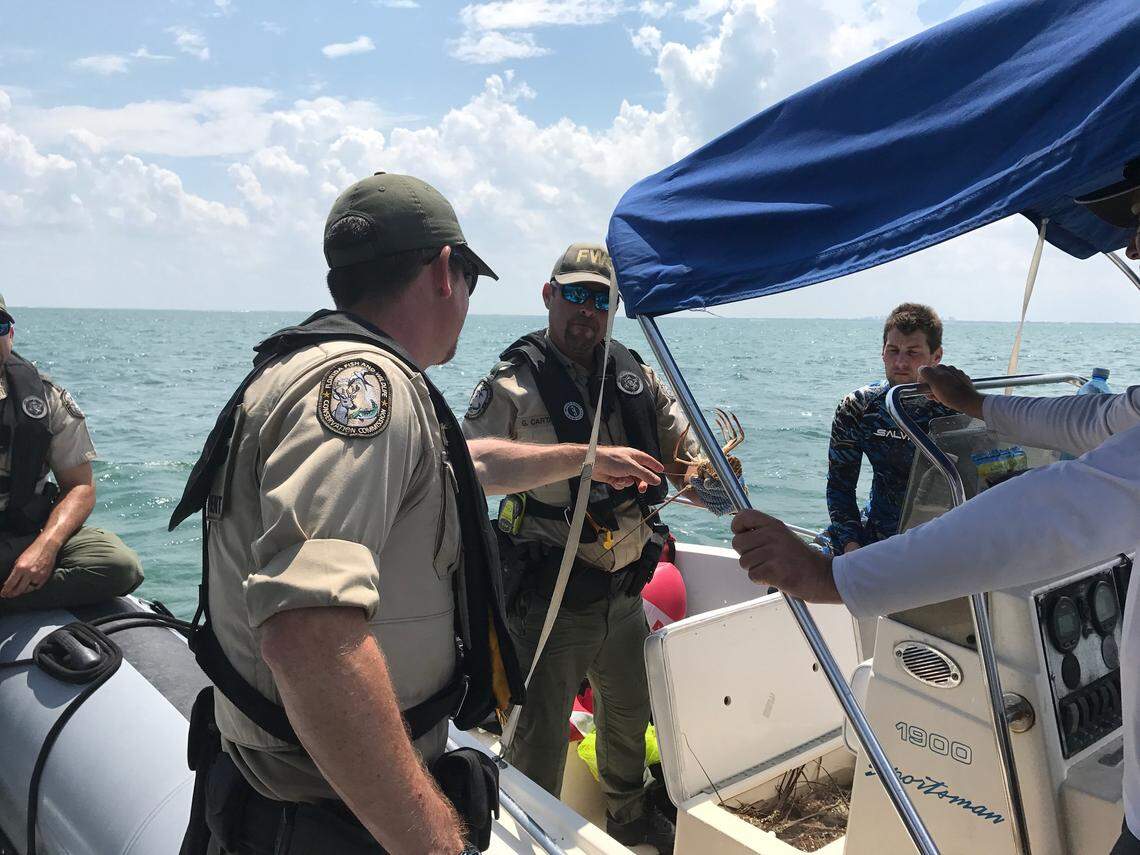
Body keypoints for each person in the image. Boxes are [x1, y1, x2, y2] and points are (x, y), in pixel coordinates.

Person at [168, 175, 666, 855]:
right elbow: (309, 634)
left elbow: (469, 464)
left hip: (307, 791)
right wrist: (433, 842)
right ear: (442, 271)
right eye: (470, 280)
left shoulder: (307, 367)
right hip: (332, 812)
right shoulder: (365, 389)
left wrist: (585, 458)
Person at [463, 241, 729, 853]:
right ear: (549, 296)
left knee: (629, 715)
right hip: (551, 597)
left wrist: (711, 478)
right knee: (539, 735)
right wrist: (585, 459)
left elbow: (685, 460)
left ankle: (628, 815)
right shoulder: (513, 385)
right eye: (575, 294)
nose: (586, 309)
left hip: (626, 591)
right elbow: (472, 466)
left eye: (600, 299)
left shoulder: (636, 377)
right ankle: (535, 835)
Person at [0, 295, 142, 612]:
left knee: (117, 564)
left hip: (22, 532)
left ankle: (10, 597)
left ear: (10, 335)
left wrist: (46, 546)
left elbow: (79, 486)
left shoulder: (44, 400)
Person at [823, 302, 954, 554]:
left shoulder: (956, 408)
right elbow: (840, 486)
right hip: (876, 534)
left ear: (936, 356)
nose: (900, 362)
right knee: (789, 569)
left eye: (913, 352)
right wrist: (851, 546)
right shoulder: (858, 407)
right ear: (882, 351)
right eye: (893, 350)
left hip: (941, 538)